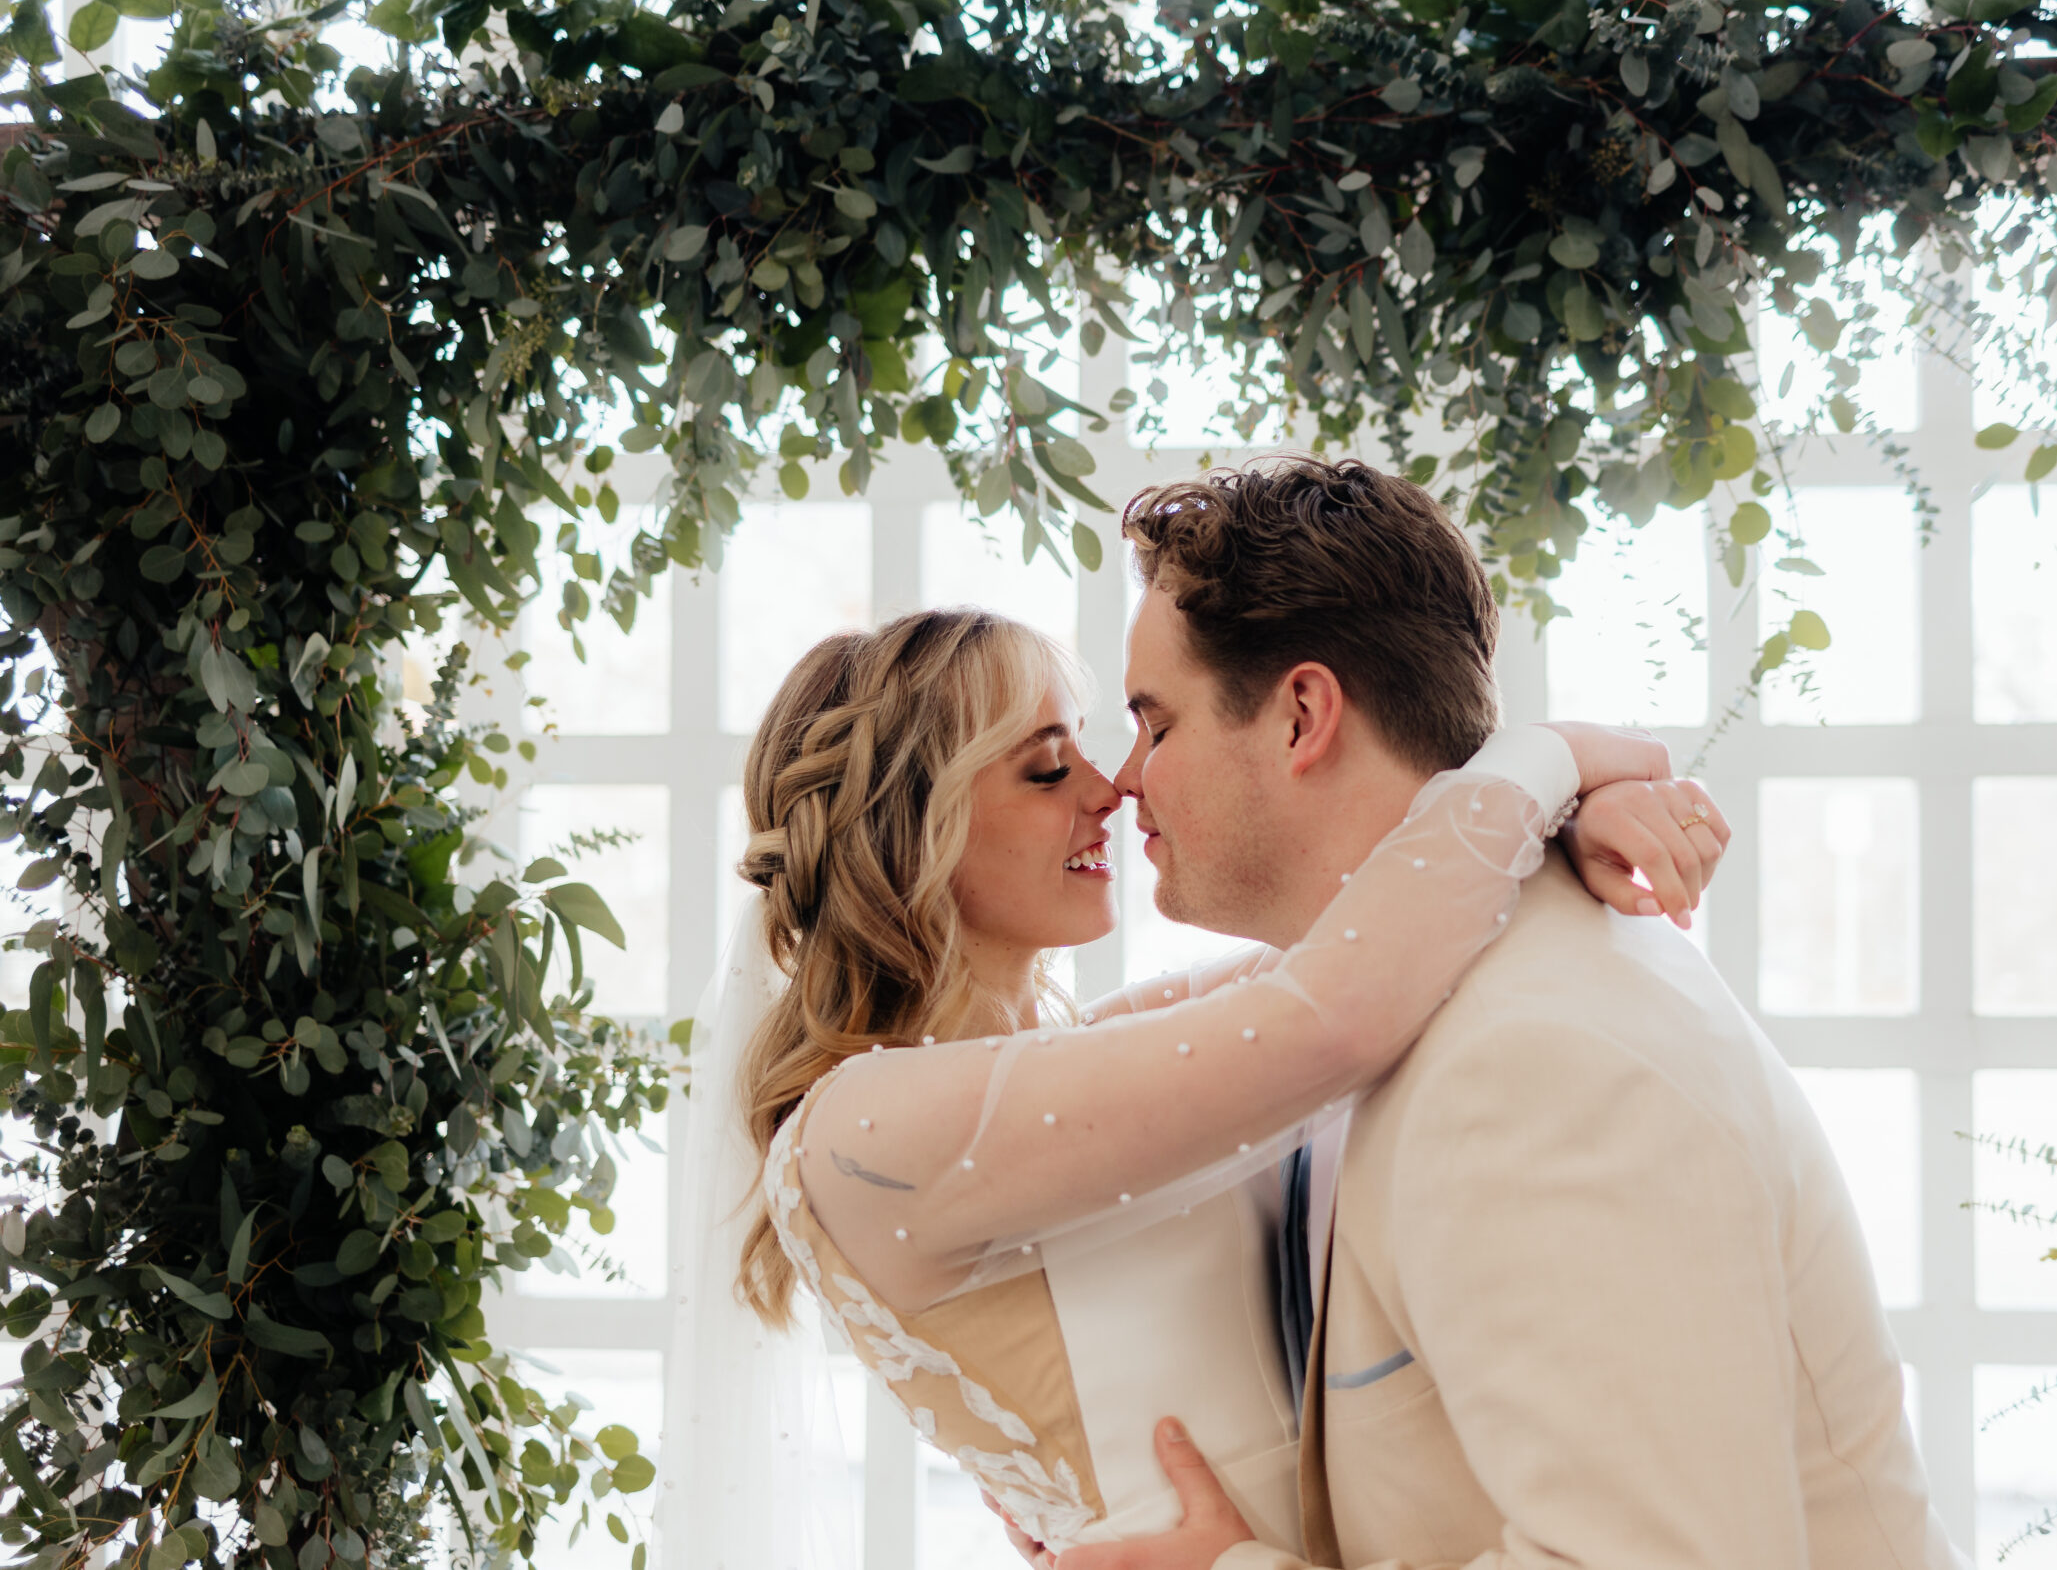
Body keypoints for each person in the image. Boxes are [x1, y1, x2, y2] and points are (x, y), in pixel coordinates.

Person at [650, 601, 1730, 1567]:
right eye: (1045, 766)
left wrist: (1558, 830)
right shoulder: (863, 1129)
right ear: (913, 828)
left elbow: (1377, 938)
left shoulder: (1070, 1057)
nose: (1111, 788)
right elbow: (1337, 1008)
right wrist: (1549, 757)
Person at [1035, 457, 1965, 1570]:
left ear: (1299, 717)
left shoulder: (1533, 1064)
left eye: (1156, 724)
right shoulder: (1393, 992)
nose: (1125, 779)